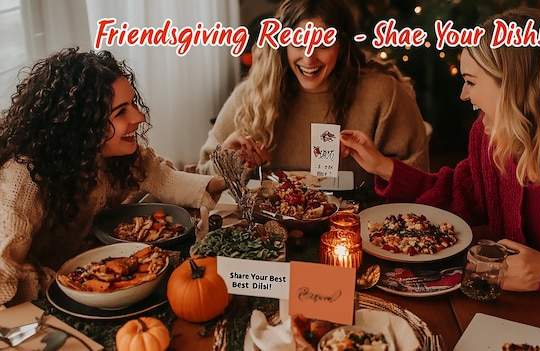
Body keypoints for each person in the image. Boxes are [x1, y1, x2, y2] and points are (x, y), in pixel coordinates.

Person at [339, 7, 540, 351]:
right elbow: (461, 198)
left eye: (471, 82)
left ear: (518, 86)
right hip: (511, 319)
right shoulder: (492, 138)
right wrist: (384, 167)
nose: (463, 95)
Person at [0, 48, 226, 307]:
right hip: (46, 302)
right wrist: (68, 283)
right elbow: (4, 278)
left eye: (134, 104)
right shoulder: (24, 179)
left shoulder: (111, 154)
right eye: (121, 112)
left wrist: (224, 180)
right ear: (80, 124)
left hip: (98, 279)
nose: (139, 117)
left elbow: (163, 180)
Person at [196, 0, 430, 195]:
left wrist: (380, 165)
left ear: (342, 45)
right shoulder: (252, 95)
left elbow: (423, 183)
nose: (309, 58)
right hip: (268, 234)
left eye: (322, 44)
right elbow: (200, 180)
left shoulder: (383, 93)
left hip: (357, 232)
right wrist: (226, 161)